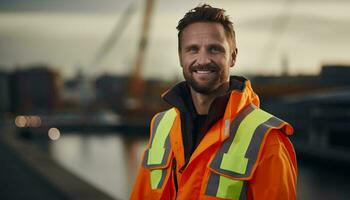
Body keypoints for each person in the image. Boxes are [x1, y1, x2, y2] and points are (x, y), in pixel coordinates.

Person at [130, 4, 297, 200]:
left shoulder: (267, 139)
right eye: (193, 49)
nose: (203, 60)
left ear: (233, 57)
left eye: (214, 49)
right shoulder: (161, 126)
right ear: (180, 57)